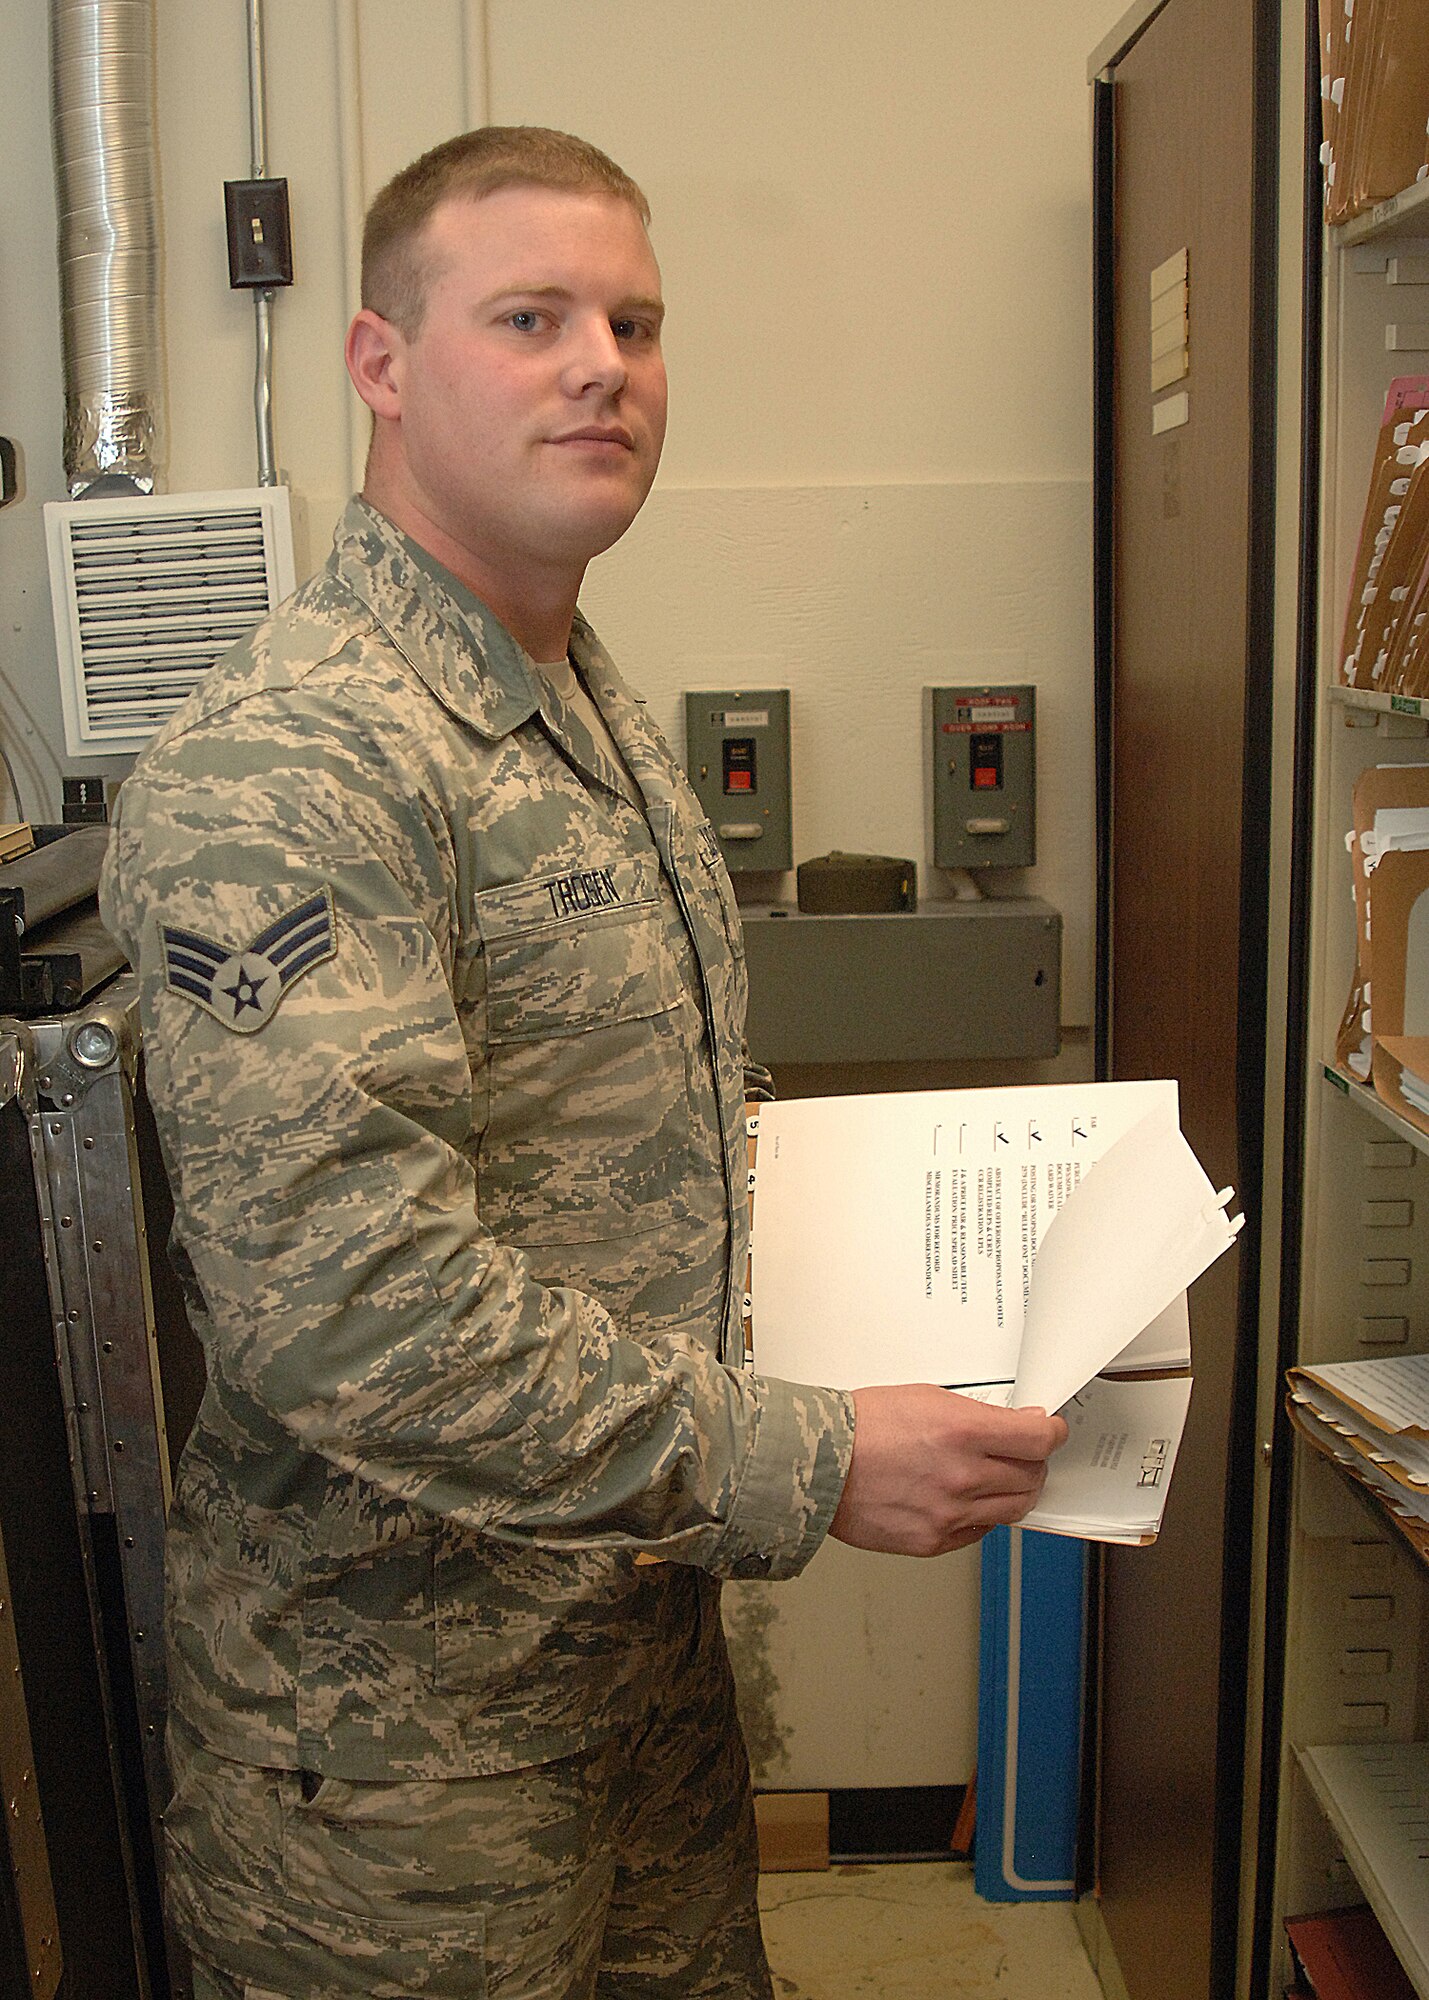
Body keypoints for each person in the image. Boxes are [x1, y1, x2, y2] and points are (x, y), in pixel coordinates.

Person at [99, 126, 1067, 2000]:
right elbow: (351, 1316)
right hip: (399, 1779)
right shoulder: (295, 768)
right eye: (529, 316)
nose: (599, 364)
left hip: (635, 1687)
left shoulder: (579, 713)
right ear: (379, 366)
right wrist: (814, 1458)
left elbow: (627, 1158)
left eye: (631, 320)